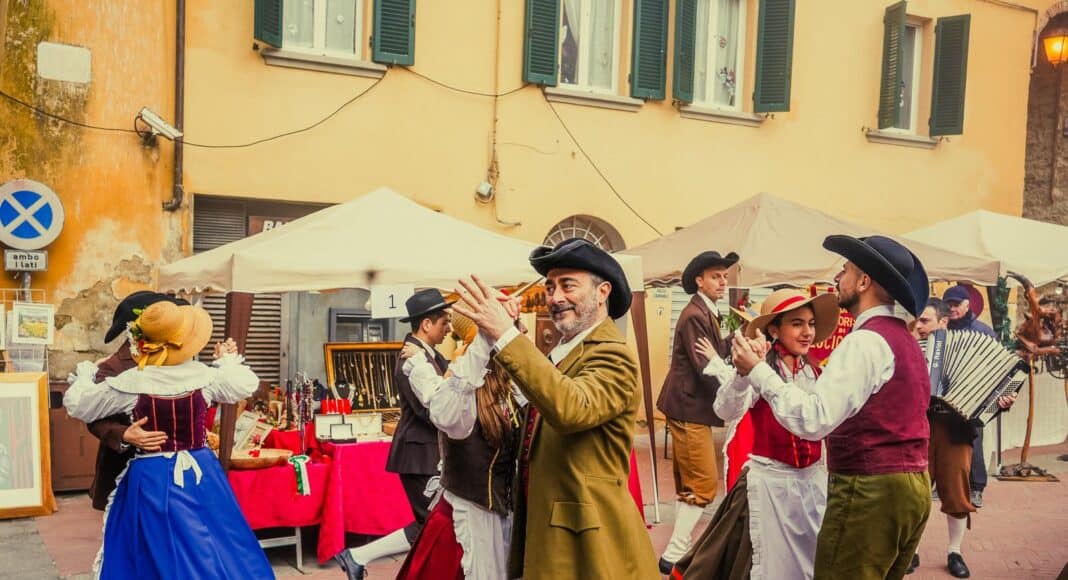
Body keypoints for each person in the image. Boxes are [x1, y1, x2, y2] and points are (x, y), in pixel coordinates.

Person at [453, 238, 658, 579]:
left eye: (568, 285)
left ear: (602, 292)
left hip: (587, 538)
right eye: (550, 287)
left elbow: (570, 407)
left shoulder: (613, 355)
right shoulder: (563, 353)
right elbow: (538, 404)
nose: (555, 297)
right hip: (551, 528)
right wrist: (504, 336)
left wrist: (506, 336)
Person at [731, 235, 932, 580]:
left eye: (846, 270)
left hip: (871, 488)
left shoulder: (865, 342)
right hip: (913, 485)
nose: (839, 277)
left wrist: (759, 371)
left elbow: (814, 419)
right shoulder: (906, 340)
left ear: (864, 281)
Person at [64, 301, 272, 579]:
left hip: (151, 474)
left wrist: (88, 373)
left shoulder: (131, 383)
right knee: (215, 541)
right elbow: (245, 383)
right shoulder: (205, 377)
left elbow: (78, 404)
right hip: (200, 471)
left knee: (154, 548)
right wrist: (225, 359)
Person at [672, 289, 839, 579]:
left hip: (812, 486)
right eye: (797, 323)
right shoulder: (758, 371)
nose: (807, 332)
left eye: (811, 324)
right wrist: (742, 374)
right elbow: (726, 410)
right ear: (774, 330)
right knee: (766, 564)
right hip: (770, 487)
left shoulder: (815, 374)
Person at [393, 313, 522, 579]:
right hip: (467, 524)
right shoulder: (462, 396)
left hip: (499, 518)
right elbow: (438, 402)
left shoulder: (510, 392)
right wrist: (419, 365)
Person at [334, 289, 453, 579]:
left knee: (435, 522)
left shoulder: (429, 354)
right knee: (432, 522)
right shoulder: (409, 359)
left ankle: (359, 557)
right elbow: (431, 411)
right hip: (419, 454)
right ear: (426, 324)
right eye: (445, 322)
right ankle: (357, 556)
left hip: (427, 453)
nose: (449, 328)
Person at [908, 297, 1015, 579]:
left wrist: (1002, 400)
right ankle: (911, 550)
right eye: (917, 320)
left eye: (925, 321)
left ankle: (954, 552)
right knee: (915, 494)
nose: (919, 327)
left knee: (957, 494)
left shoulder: (972, 345)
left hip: (956, 430)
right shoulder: (911, 347)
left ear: (943, 322)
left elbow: (998, 384)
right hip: (919, 429)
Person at [655, 250, 739, 573]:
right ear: (699, 281)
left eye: (724, 276)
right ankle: (674, 554)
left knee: (690, 484)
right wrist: (737, 385)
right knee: (703, 482)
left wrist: (737, 338)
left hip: (689, 406)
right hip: (688, 406)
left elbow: (715, 350)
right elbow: (706, 365)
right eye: (716, 276)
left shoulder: (706, 311)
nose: (723, 281)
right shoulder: (695, 314)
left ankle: (677, 549)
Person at [84, 291, 185, 511]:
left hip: (170, 469)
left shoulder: (174, 360)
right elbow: (94, 417)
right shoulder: (113, 367)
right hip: (126, 468)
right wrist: (124, 434)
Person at [942, 285, 996, 509]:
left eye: (956, 304)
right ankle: (943, 483)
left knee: (974, 440)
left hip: (974, 395)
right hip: (944, 394)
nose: (952, 309)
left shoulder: (983, 331)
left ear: (967, 305)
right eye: (948, 305)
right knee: (942, 438)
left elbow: (996, 365)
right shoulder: (941, 330)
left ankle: (976, 487)